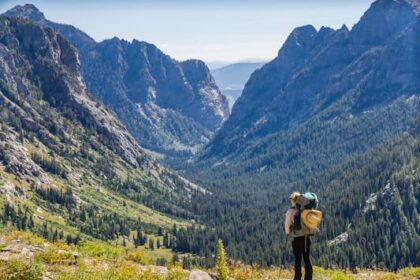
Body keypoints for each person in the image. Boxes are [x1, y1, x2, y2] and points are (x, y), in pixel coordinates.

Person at [285, 192, 313, 280]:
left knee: (298, 259)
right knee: (306, 258)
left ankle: (297, 278)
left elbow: (287, 225)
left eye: (291, 199)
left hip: (296, 239)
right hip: (306, 238)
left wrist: (288, 233)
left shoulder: (290, 211)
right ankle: (308, 277)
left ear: (293, 200)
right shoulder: (305, 210)